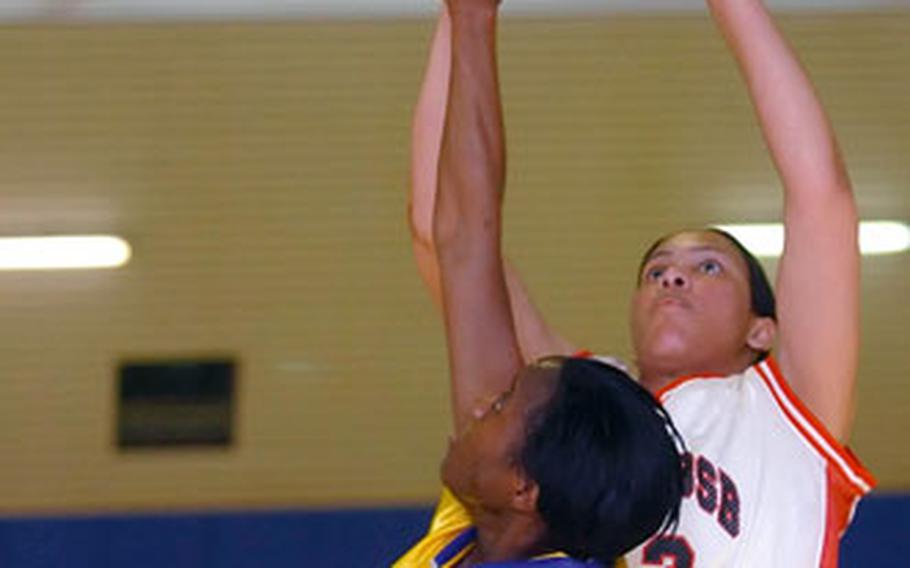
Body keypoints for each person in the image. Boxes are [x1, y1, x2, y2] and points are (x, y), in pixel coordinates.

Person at [407, 0, 875, 565]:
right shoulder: (566, 398)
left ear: (761, 329)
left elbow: (821, 198)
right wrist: (458, 17)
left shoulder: (783, 409)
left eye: (708, 266)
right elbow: (448, 235)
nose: (673, 275)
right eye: (655, 271)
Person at [395, 1, 686, 564]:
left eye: (500, 406)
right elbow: (464, 241)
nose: (480, 405)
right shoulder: (487, 516)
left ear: (523, 488)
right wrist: (472, 20)